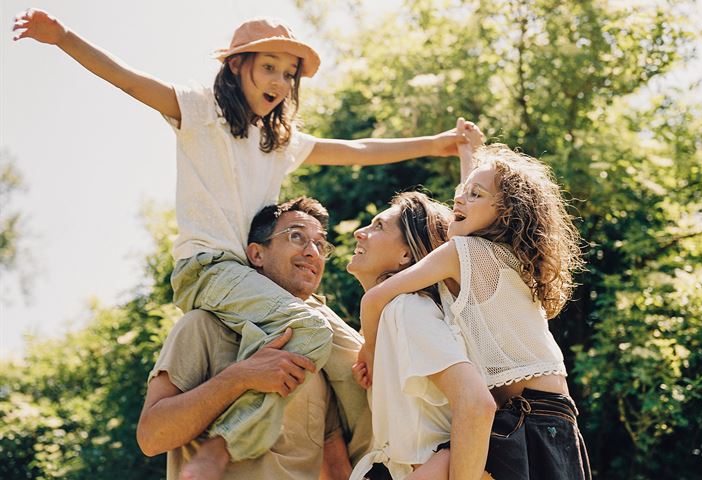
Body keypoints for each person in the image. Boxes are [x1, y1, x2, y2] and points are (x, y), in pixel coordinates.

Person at [12, 7, 466, 472]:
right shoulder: (198, 113)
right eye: (269, 67)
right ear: (236, 66)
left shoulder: (279, 142)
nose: (281, 82)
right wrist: (63, 37)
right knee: (307, 329)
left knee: (360, 362)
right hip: (208, 269)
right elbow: (130, 81)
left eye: (289, 74)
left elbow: (355, 152)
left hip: (254, 282)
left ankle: (387, 467)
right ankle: (223, 443)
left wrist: (435, 143)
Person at [355, 119, 591, 479]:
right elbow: (475, 203)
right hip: (550, 415)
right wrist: (469, 153)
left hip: (529, 416)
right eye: (462, 193)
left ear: (506, 213)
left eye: (473, 195)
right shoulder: (500, 256)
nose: (459, 199)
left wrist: (369, 350)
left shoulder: (463, 254)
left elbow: (376, 299)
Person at [137, 196, 372, 480]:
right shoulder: (203, 327)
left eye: (320, 244)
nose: (312, 252)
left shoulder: (321, 350)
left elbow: (335, 467)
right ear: (257, 254)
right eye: (296, 236)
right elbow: (151, 438)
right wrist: (238, 378)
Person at [346, 191, 496, 480]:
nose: (359, 233)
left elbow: (476, 404)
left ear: (406, 255)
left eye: (378, 226)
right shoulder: (393, 317)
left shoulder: (409, 309)